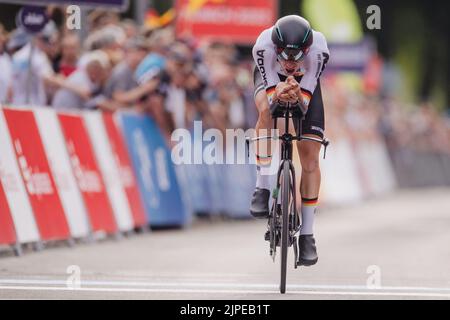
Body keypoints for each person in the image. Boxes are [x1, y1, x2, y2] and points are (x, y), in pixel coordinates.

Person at [250, 15, 330, 266]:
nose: (290, 63)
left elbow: (305, 99)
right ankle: (263, 185)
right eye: (284, 55)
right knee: (265, 110)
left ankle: (307, 235)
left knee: (310, 158)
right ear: (276, 49)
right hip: (270, 79)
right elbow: (273, 100)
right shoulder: (263, 46)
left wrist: (297, 95)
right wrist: (280, 94)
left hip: (306, 85)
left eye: (296, 58)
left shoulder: (318, 50)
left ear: (306, 51)